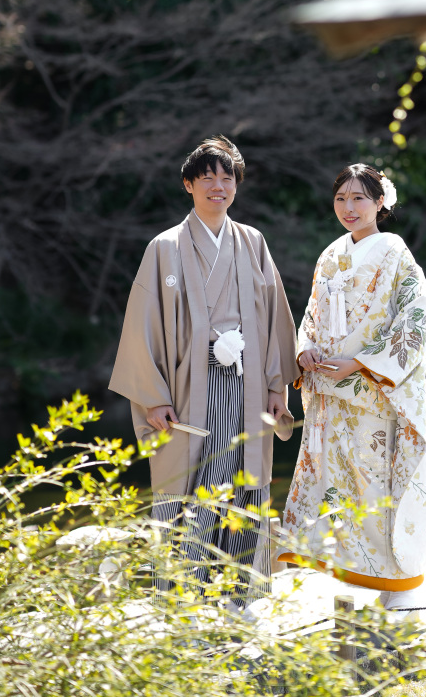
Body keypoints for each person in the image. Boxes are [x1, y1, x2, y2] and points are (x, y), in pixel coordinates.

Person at [109, 135, 299, 603]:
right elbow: (143, 323)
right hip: (187, 384)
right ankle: (182, 598)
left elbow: (274, 315)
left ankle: (239, 594)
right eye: (208, 176)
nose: (219, 185)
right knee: (191, 483)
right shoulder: (164, 247)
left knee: (243, 475)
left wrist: (278, 387)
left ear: (236, 186)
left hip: (249, 384)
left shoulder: (252, 242)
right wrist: (153, 396)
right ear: (188, 184)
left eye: (227, 177)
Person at [280, 163, 426, 605]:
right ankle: (353, 575)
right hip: (330, 391)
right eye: (341, 199)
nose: (349, 208)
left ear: (380, 202)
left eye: (359, 198)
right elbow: (311, 314)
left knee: (374, 483)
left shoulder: (395, 251)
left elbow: (418, 314)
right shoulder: (330, 255)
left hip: (371, 389)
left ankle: (394, 581)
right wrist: (304, 350)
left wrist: (362, 362)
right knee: (339, 484)